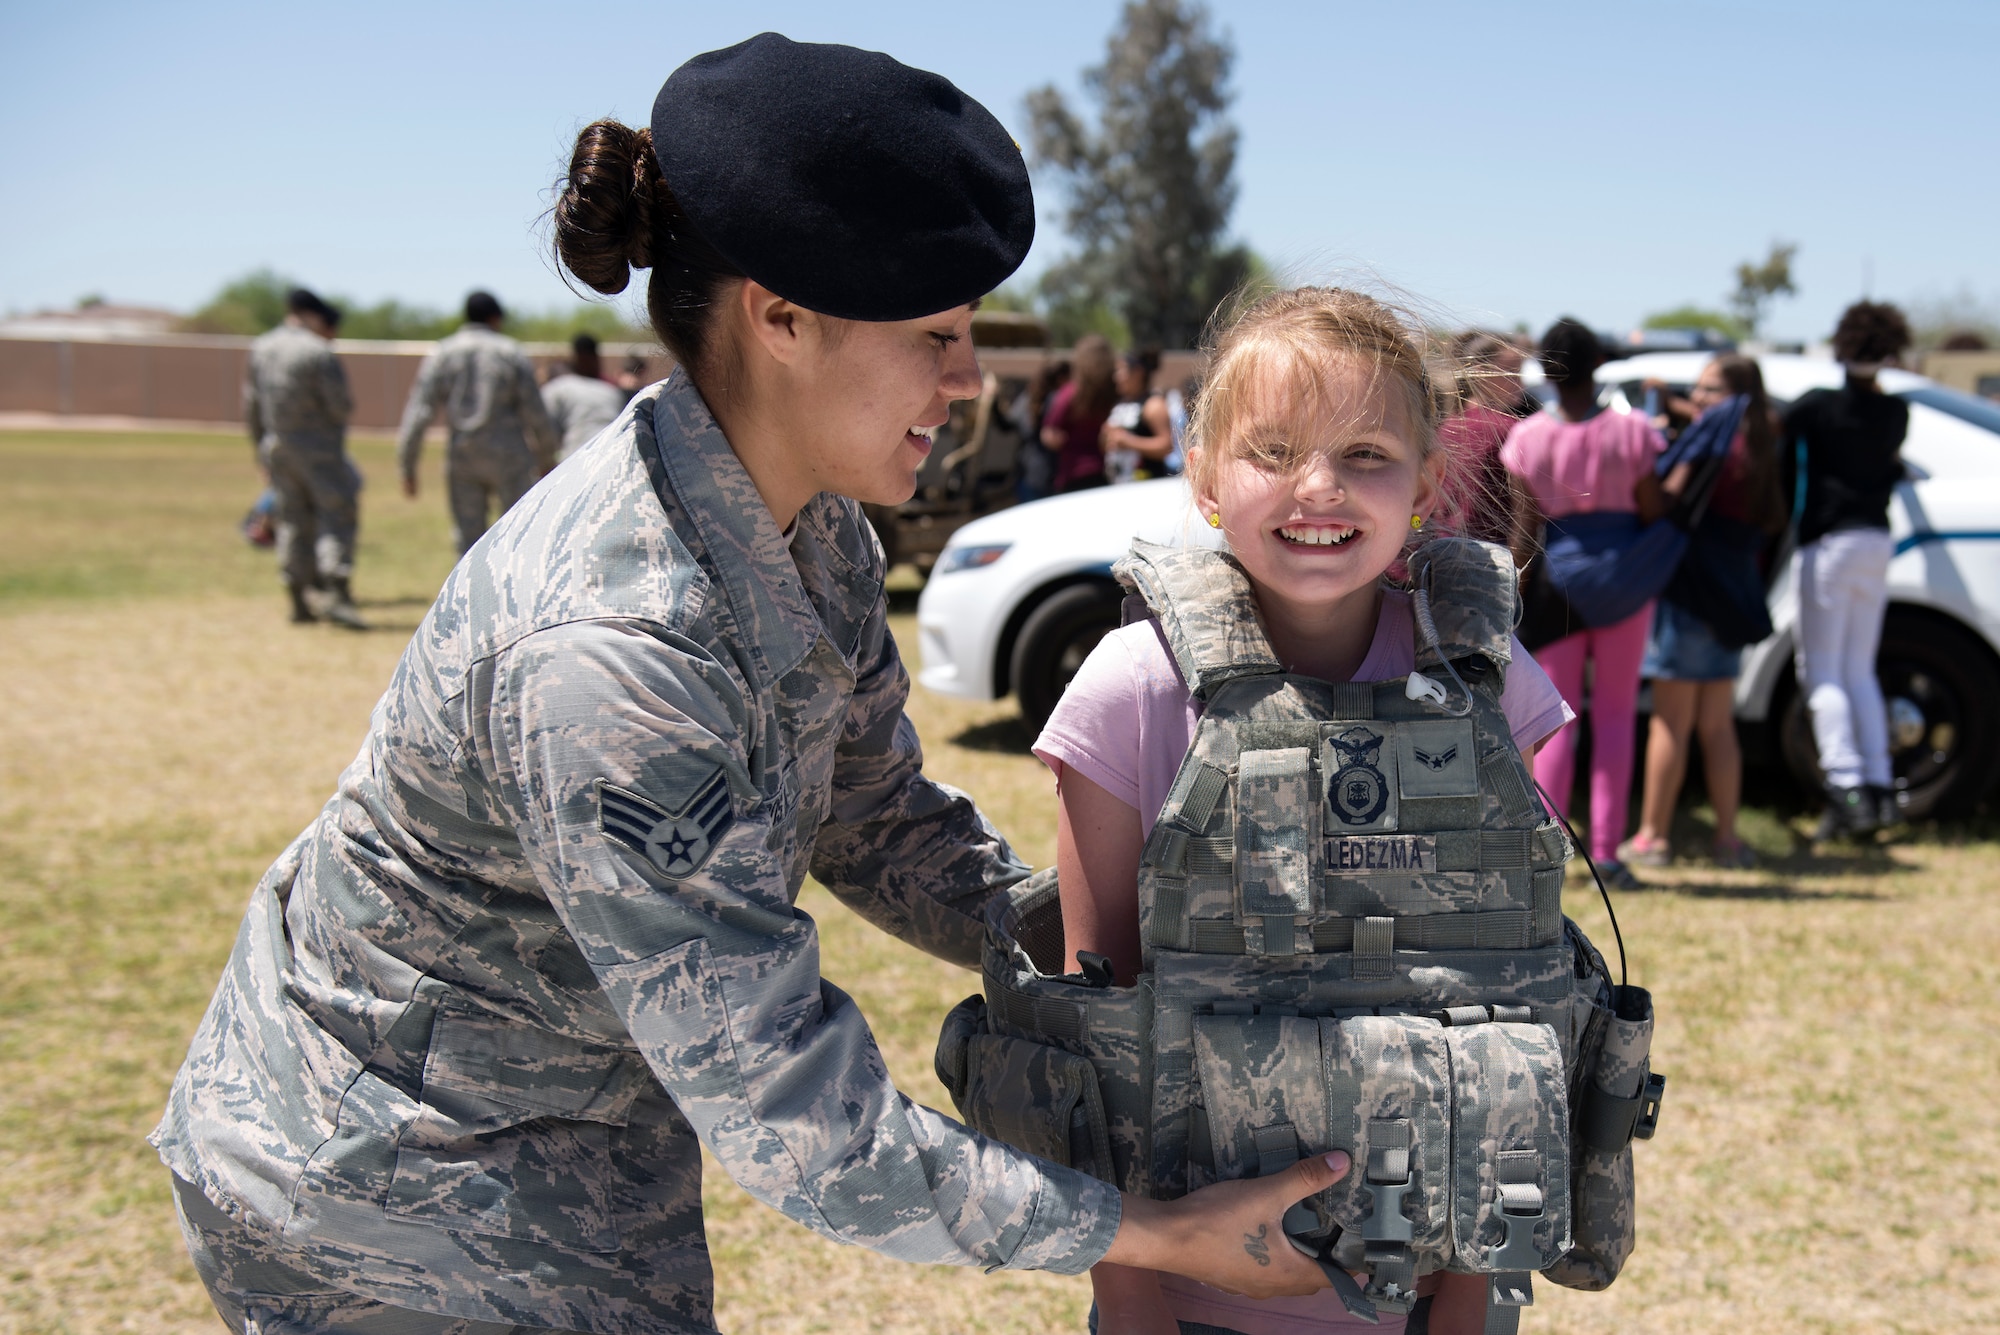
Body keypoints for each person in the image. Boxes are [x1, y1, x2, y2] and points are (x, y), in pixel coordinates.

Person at [152, 35, 1352, 1335]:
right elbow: (800, 1115)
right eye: (938, 335)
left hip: (563, 1129)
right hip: (390, 1179)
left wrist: (1139, 920)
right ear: (780, 316)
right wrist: (1162, 1233)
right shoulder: (614, 651)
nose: (969, 380)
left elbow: (877, 818)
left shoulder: (815, 525)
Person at [1035, 288, 1575, 1335]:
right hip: (1190, 1303)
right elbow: (1088, 1032)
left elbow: (1524, 1008)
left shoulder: (1489, 689)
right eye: (1272, 451)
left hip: (1432, 1296)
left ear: (1426, 481)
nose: (1317, 488)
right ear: (1199, 472)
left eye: (1366, 453)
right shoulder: (1130, 692)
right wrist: (1131, 1301)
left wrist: (1469, 1305)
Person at [1501, 319, 1667, 887]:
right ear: (1598, 366)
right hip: (1625, 584)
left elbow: (1525, 530)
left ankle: (1551, 845)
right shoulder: (1636, 433)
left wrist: (1515, 593)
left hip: (1559, 587)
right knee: (1617, 716)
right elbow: (1652, 509)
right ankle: (1609, 852)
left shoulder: (1528, 438)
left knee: (1555, 720)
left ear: (1545, 368)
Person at [1622, 354, 1786, 869]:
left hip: (1691, 593)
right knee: (1718, 726)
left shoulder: (1714, 446)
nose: (1699, 399)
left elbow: (1672, 490)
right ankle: (1728, 839)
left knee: (1670, 723)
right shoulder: (1760, 441)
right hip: (1733, 597)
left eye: (1708, 390)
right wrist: (1676, 402)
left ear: (1734, 395)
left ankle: (1652, 837)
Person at [1781, 300, 1915, 837]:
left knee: (1823, 674)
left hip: (1831, 543)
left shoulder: (1817, 406)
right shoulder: (1896, 413)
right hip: (1877, 541)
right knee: (1860, 670)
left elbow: (1778, 440)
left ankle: (1846, 788)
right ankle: (1881, 789)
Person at [396, 290, 560, 553]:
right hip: (509, 457)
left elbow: (419, 412)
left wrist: (407, 466)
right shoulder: (510, 352)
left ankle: (469, 593)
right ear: (495, 318)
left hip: (464, 457)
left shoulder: (443, 353)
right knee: (517, 534)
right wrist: (547, 458)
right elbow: (535, 412)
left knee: (468, 540)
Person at [242, 286, 365, 628]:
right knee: (335, 516)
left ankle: (297, 598)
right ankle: (336, 592)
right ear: (312, 314)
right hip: (319, 449)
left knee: (292, 520)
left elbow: (251, 406)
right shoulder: (317, 351)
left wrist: (260, 451)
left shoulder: (262, 348)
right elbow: (340, 406)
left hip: (277, 448)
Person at [1438, 330, 1529, 546]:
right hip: (1489, 558)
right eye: (1511, 373)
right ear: (1481, 374)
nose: (1520, 383)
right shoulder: (1512, 430)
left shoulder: (1445, 426)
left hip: (1439, 551)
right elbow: (1526, 517)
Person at [1044, 332, 1118, 492]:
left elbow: (1050, 435)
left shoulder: (1069, 393)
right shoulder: (1113, 392)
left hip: (1072, 472)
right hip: (1101, 471)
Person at [540, 331, 628, 462]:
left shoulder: (557, 389)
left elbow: (544, 434)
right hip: (614, 461)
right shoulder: (612, 392)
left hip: (574, 464)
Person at [1100, 347, 1174, 483]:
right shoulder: (1119, 403)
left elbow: (1166, 445)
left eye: (1120, 371)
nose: (1116, 377)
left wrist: (1129, 442)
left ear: (1137, 372)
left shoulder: (1153, 405)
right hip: (1118, 483)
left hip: (1145, 485)